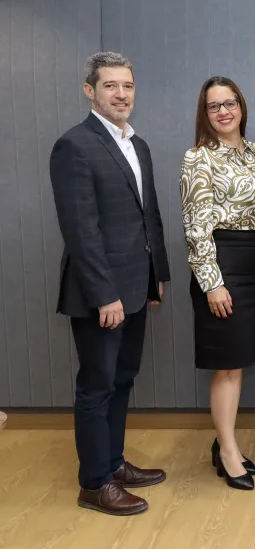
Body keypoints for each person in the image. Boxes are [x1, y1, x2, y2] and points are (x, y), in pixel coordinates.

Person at [50, 52, 171, 515]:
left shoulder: (135, 144)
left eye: (127, 86)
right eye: (110, 86)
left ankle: (114, 463)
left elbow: (149, 217)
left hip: (137, 287)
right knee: (97, 385)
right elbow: (80, 229)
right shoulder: (74, 145)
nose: (121, 94)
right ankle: (94, 483)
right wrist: (106, 294)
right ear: (90, 91)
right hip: (101, 294)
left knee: (123, 379)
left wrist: (155, 277)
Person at [180, 77, 255, 491]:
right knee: (227, 363)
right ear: (205, 113)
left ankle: (224, 445)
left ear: (241, 105)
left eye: (229, 103)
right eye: (214, 106)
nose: (223, 112)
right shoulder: (198, 158)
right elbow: (196, 227)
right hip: (221, 263)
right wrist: (212, 283)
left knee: (239, 360)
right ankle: (228, 450)